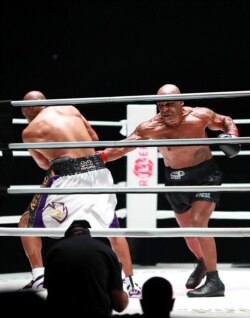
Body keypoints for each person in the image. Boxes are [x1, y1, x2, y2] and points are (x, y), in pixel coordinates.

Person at [104, 83, 241, 297]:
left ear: (181, 102)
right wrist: (97, 158)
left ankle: (215, 281)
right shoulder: (150, 127)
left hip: (205, 176)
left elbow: (224, 120)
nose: (165, 109)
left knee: (198, 224)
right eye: (161, 105)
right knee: (188, 234)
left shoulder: (199, 116)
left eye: (170, 104)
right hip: (175, 181)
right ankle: (203, 261)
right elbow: (122, 147)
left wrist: (232, 134)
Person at [18, 90, 141, 297]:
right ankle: (129, 282)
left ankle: (39, 277)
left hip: (67, 175)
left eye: (23, 111)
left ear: (29, 108)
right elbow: (94, 137)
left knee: (25, 223)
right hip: (98, 170)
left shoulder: (30, 131)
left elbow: (42, 164)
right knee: (111, 226)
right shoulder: (70, 109)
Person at [44, 219, 128, 316]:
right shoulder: (106, 251)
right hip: (97, 314)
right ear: (88, 233)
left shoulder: (55, 251)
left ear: (67, 235)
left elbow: (51, 294)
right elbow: (119, 305)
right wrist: (123, 293)